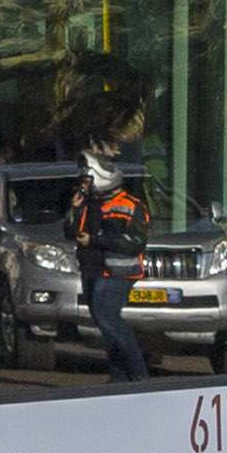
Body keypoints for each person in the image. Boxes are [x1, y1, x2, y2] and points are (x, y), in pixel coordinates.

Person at [74, 148, 154, 383]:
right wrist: (76, 208)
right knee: (103, 321)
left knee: (107, 316)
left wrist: (95, 240)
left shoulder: (131, 205)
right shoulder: (89, 204)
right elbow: (72, 231)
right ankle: (119, 375)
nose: (83, 185)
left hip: (118, 271)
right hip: (93, 270)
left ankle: (138, 372)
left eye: (87, 180)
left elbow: (134, 243)